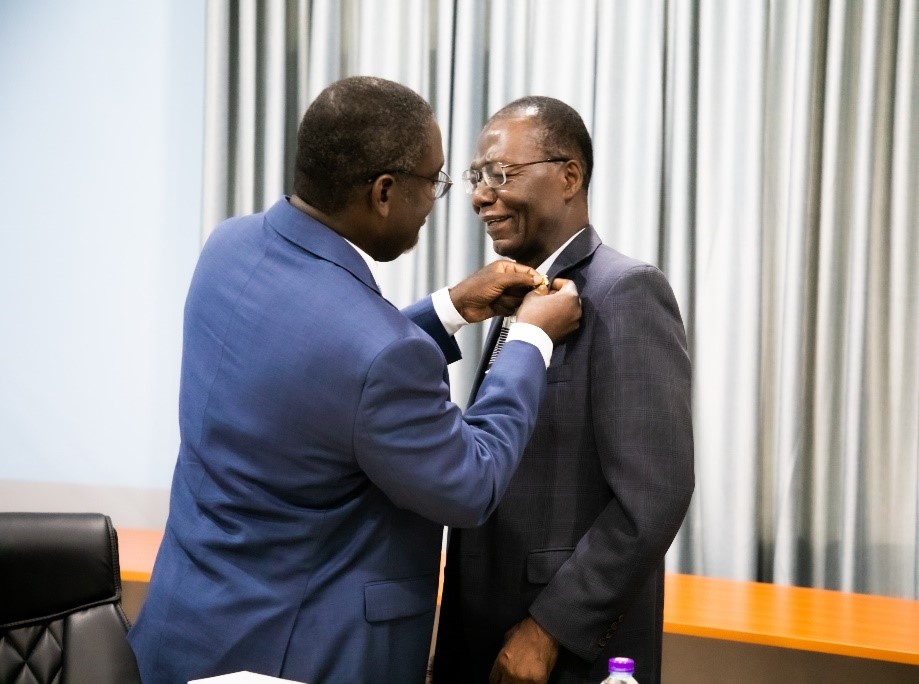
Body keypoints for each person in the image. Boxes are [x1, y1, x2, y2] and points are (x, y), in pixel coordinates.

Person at [128, 77, 581, 684]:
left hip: (184, 631)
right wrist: (532, 338)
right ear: (385, 192)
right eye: (436, 181)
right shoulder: (379, 354)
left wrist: (447, 308)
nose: (447, 200)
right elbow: (468, 483)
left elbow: (317, 367)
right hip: (290, 657)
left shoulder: (229, 247)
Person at [432, 97, 694, 684]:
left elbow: (656, 494)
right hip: (478, 632)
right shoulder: (514, 300)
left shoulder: (627, 291)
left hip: (559, 652)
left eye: (500, 173)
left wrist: (548, 630)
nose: (479, 195)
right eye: (476, 177)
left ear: (569, 176)